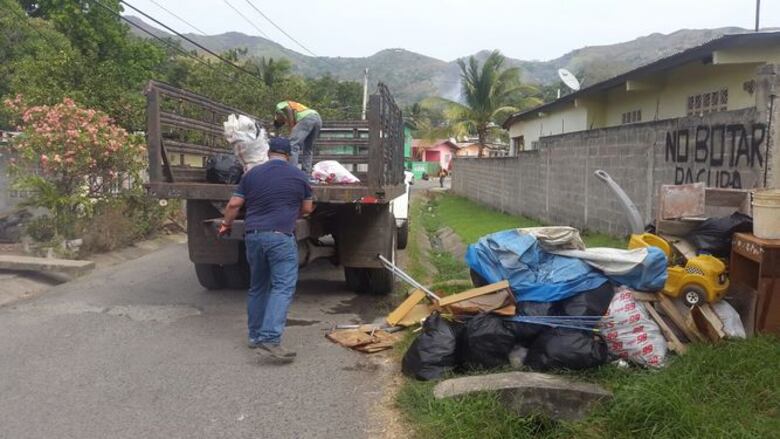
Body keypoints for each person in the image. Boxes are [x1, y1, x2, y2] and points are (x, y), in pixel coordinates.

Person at [218, 137, 314, 362]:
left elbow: (234, 205)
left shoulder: (251, 174)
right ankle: (270, 338)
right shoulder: (300, 176)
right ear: (288, 155)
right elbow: (307, 209)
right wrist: (291, 212)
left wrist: (226, 225)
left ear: (269, 152)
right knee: (282, 287)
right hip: (281, 237)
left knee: (258, 286)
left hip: (253, 236)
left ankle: (255, 336)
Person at [273, 100, 322, 175]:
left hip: (307, 118)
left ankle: (292, 172)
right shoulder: (296, 112)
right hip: (317, 118)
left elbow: (288, 109)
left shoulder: (279, 106)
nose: (284, 121)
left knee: (292, 144)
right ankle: (306, 173)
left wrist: (291, 126)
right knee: (308, 148)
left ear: (277, 116)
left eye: (282, 121)